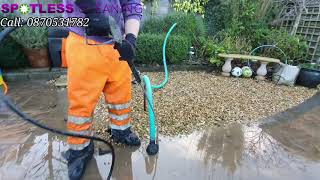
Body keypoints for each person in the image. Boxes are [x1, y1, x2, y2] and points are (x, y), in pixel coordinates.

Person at [62, 0, 142, 179]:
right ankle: (79, 150)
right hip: (84, 42)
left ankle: (121, 131)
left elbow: (132, 4)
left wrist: (131, 39)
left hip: (117, 43)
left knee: (121, 95)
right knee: (81, 103)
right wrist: (90, 9)